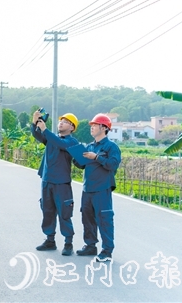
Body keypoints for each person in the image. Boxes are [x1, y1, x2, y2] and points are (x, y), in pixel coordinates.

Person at [31, 110, 79, 256]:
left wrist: (45, 130)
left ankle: (68, 243)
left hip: (61, 183)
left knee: (64, 213)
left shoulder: (71, 142)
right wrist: (35, 123)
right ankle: (50, 240)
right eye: (60, 121)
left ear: (72, 127)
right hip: (47, 181)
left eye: (65, 122)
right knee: (47, 211)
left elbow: (60, 143)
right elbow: (38, 135)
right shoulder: (52, 139)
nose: (61, 123)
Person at [74, 113, 121, 261]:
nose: (92, 128)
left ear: (104, 127)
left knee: (104, 219)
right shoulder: (90, 146)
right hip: (87, 189)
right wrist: (74, 155)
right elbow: (81, 164)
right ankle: (90, 246)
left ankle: (107, 251)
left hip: (102, 189)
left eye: (94, 125)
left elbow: (113, 165)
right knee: (87, 218)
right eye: (92, 125)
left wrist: (96, 157)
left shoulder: (111, 147)